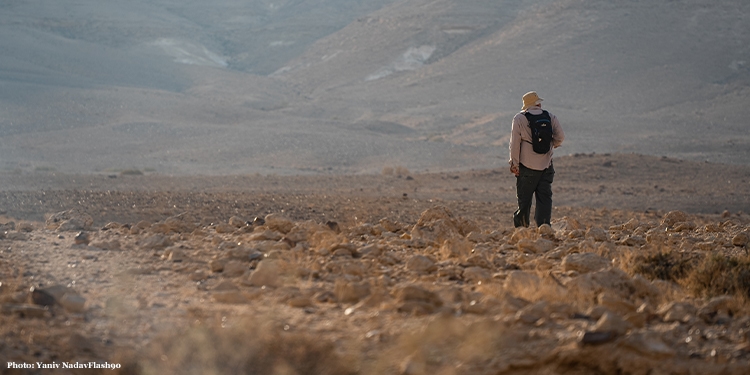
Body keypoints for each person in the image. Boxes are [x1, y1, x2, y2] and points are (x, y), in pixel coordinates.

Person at [508, 91, 565, 228]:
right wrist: (551, 146)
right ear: (538, 103)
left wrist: (514, 164)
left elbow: (514, 143)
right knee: (544, 198)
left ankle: (522, 229)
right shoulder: (550, 116)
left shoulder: (519, 118)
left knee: (524, 200)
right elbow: (560, 137)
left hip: (527, 166)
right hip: (546, 164)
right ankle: (544, 228)